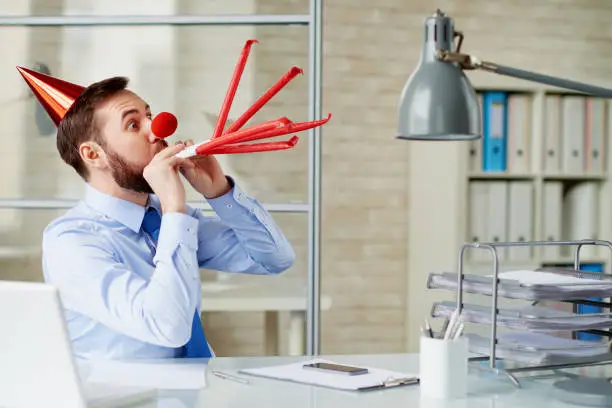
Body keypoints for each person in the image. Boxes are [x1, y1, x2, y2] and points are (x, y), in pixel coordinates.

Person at [21, 70, 295, 360]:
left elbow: (275, 258)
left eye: (149, 115)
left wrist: (220, 193)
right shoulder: (71, 241)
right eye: (133, 124)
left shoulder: (162, 218)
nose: (158, 130)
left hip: (201, 389)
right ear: (93, 155)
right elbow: (168, 328)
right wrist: (174, 207)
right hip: (129, 401)